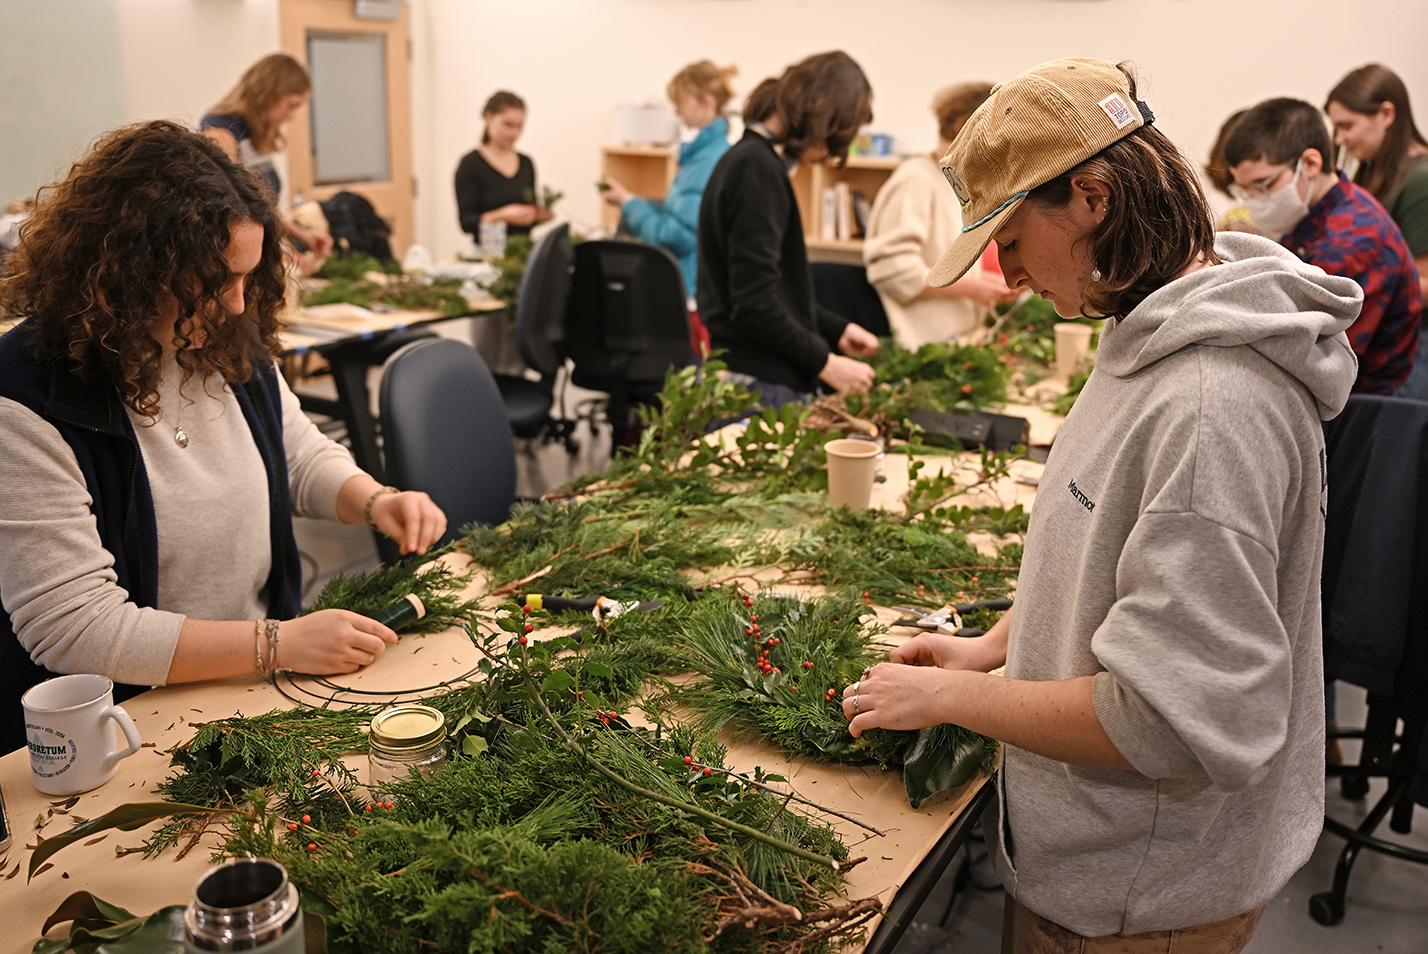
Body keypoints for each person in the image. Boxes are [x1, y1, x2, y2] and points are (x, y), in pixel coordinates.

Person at [841, 59, 1359, 952]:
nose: (1004, 278)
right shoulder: (1145, 323)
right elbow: (1103, 548)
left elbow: (1165, 717)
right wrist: (989, 651)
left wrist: (946, 699)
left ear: (1089, 197)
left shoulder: (1210, 407)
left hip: (1140, 895)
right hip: (1099, 860)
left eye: (1009, 240)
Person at [0, 122, 448, 752]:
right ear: (132, 272)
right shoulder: (27, 398)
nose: (238, 305)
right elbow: (76, 625)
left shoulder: (221, 337)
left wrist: (374, 500)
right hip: (122, 725)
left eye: (246, 276)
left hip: (249, 684)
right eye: (213, 284)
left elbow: (294, 454)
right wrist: (278, 643)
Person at [696, 51, 880, 404]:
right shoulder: (756, 170)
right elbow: (755, 305)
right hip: (755, 387)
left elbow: (775, 293)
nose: (823, 155)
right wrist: (826, 363)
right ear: (820, 116)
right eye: (831, 140)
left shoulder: (751, 161)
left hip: (754, 378)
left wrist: (836, 330)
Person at [1225, 97, 1422, 395]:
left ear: (1311, 164)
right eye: (1245, 190)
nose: (1254, 200)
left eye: (1263, 185)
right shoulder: (1317, 215)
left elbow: (1313, 358)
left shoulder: (1353, 242)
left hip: (1366, 409)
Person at [863, 83, 1016, 349]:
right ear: (962, 127)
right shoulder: (915, 180)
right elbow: (891, 271)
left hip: (956, 340)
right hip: (922, 347)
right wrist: (972, 288)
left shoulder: (954, 182)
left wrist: (983, 283)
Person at [1327, 64, 1428, 398]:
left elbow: (1424, 282)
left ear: (1387, 114)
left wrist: (1350, 293)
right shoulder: (1371, 179)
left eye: (1347, 125)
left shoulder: (1421, 181)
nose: (1339, 139)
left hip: (1412, 351)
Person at [603, 61, 735, 300]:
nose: (676, 112)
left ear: (707, 102)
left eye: (680, 103)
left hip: (692, 287)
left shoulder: (709, 160)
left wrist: (629, 204)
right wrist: (634, 201)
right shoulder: (700, 155)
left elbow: (678, 236)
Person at [200, 53, 333, 268]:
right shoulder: (221, 132)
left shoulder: (253, 132)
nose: (291, 117)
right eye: (291, 105)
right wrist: (275, 257)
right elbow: (230, 213)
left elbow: (259, 205)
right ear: (268, 95)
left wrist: (302, 237)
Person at [454, 91, 553, 242]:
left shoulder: (526, 163)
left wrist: (537, 216)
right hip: (487, 256)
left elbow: (528, 216)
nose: (515, 133)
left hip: (522, 252)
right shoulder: (470, 165)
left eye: (520, 126)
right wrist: (502, 216)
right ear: (488, 117)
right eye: (508, 125)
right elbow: (466, 223)